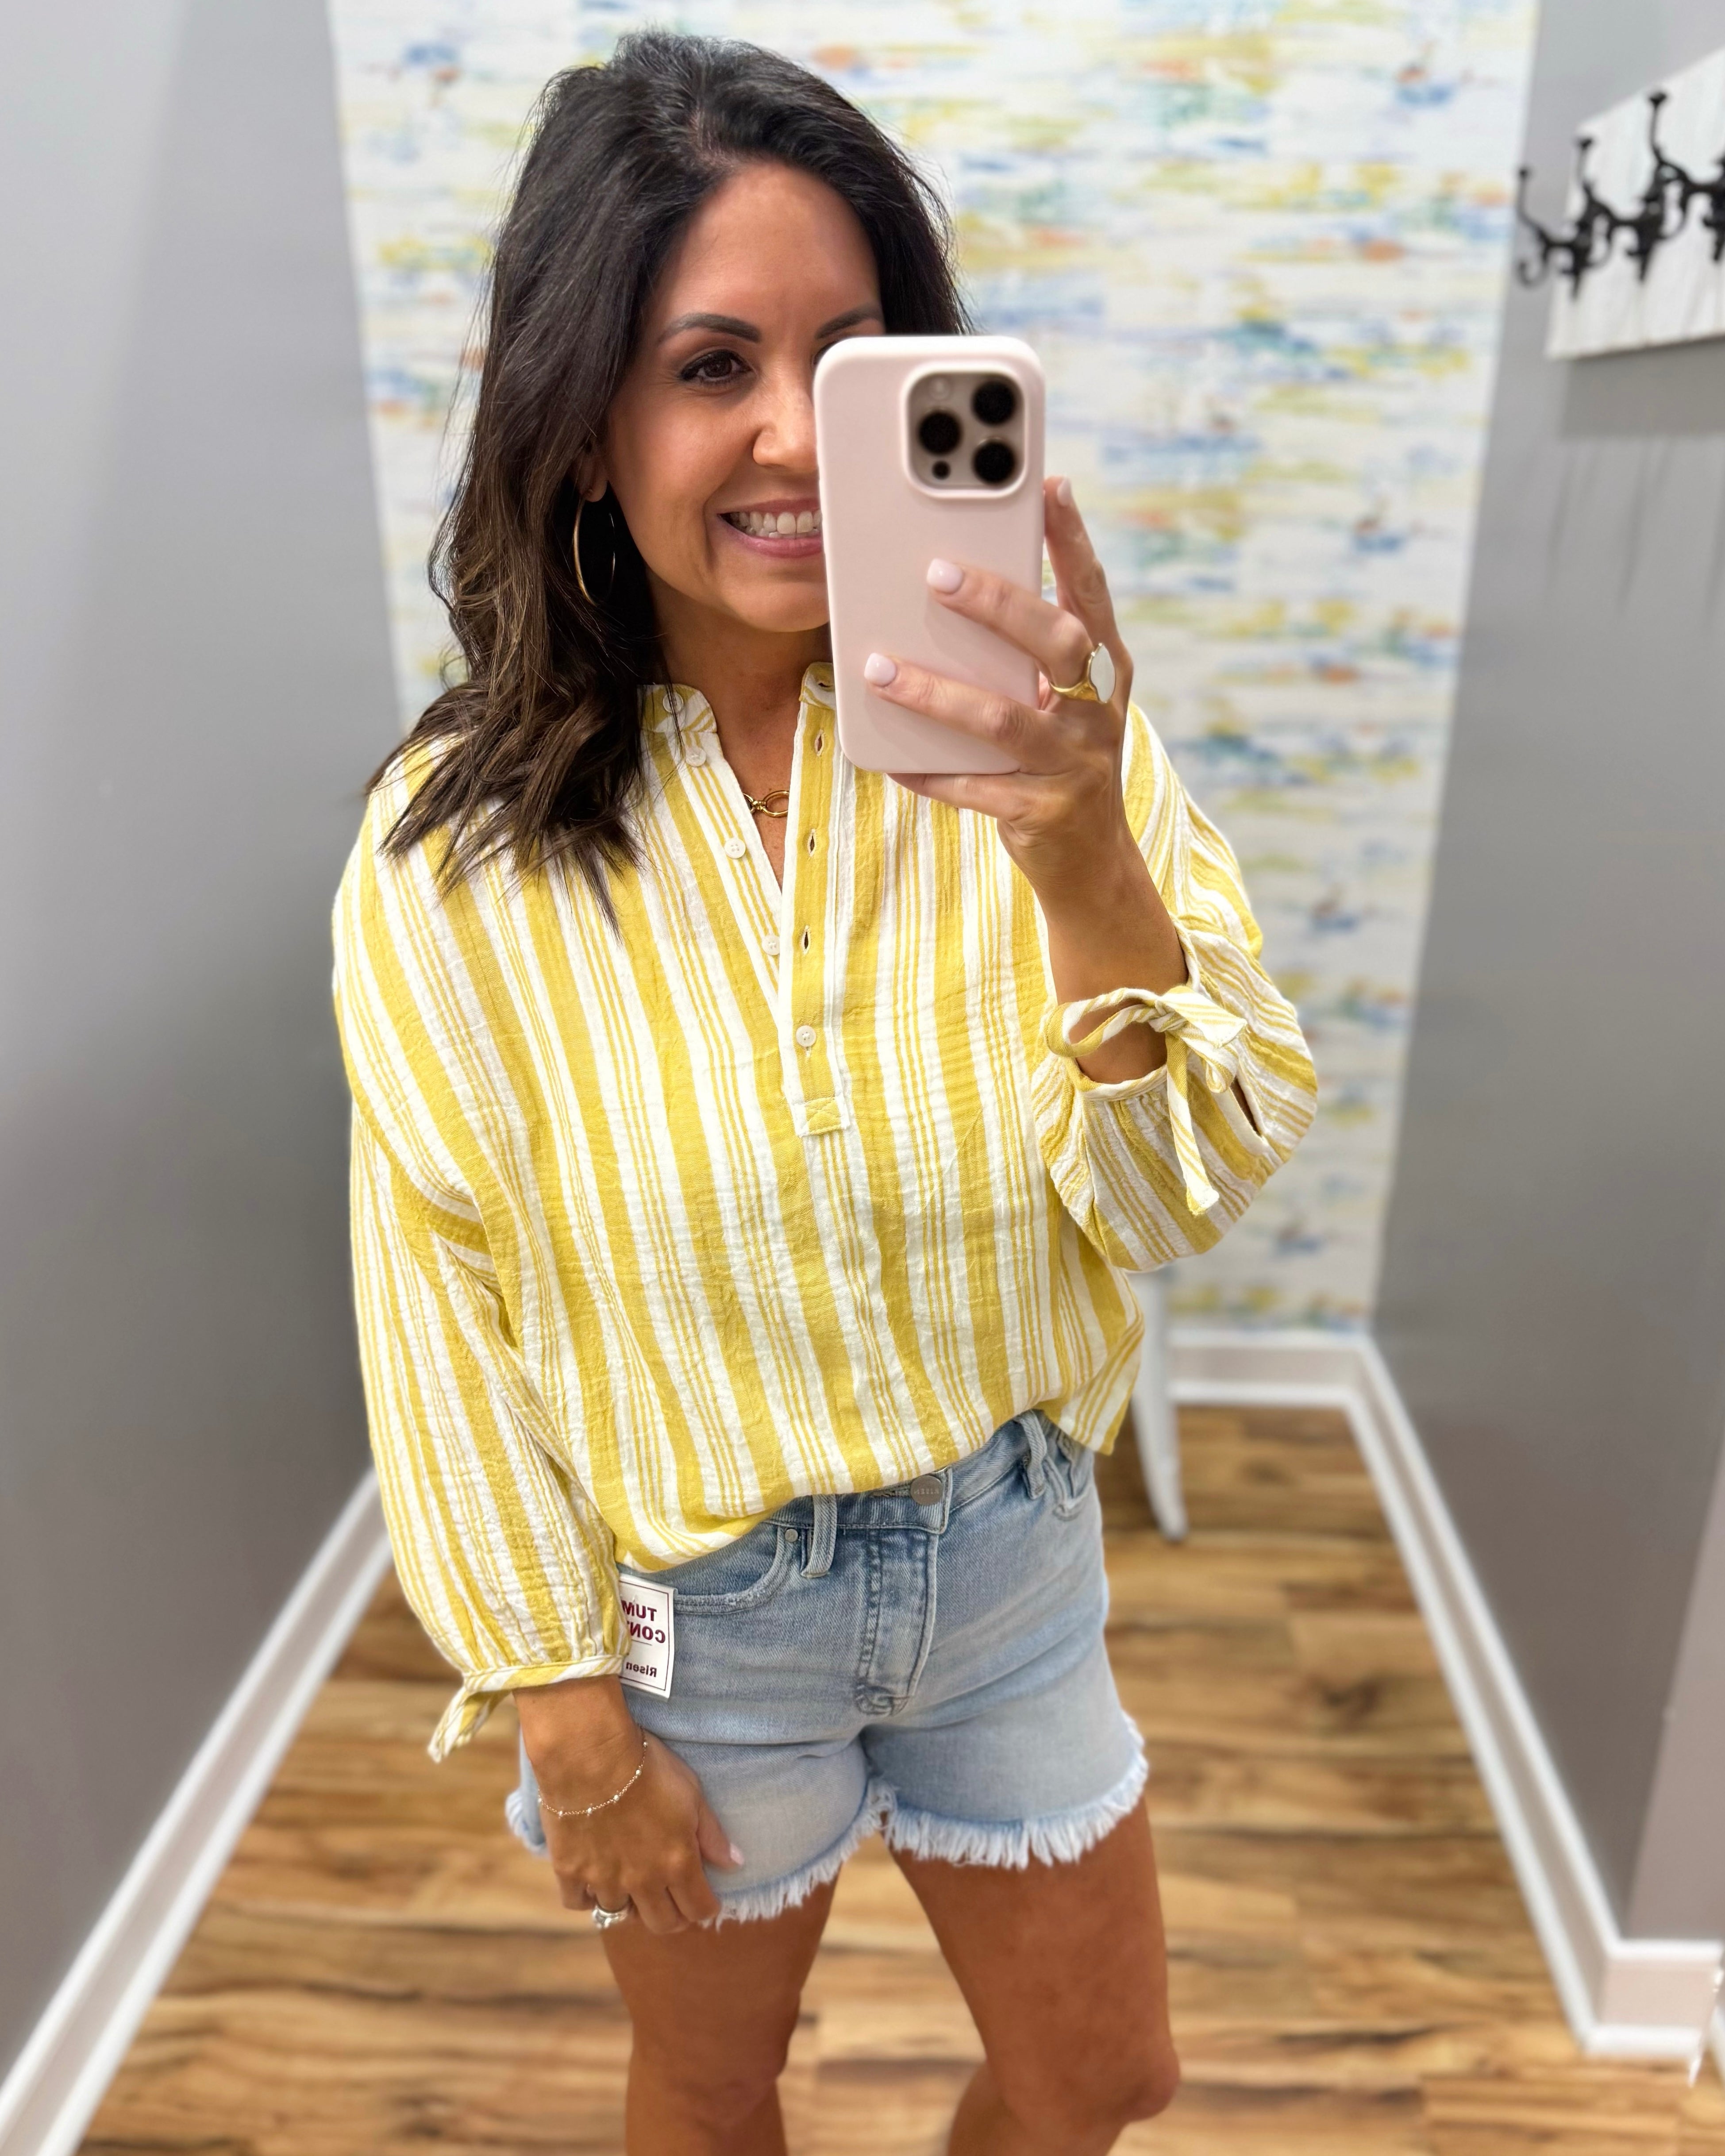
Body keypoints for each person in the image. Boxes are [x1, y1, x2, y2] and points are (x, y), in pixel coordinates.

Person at [334, 30, 1316, 2156]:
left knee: (1101, 2078)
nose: (791, 436)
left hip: (1011, 1562)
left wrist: (1080, 848)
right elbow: (436, 1291)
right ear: (583, 430)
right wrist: (560, 1709)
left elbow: (1179, 1200)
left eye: (855, 361)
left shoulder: (1046, 743)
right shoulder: (455, 849)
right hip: (698, 1627)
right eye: (709, 367)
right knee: (709, 2085)